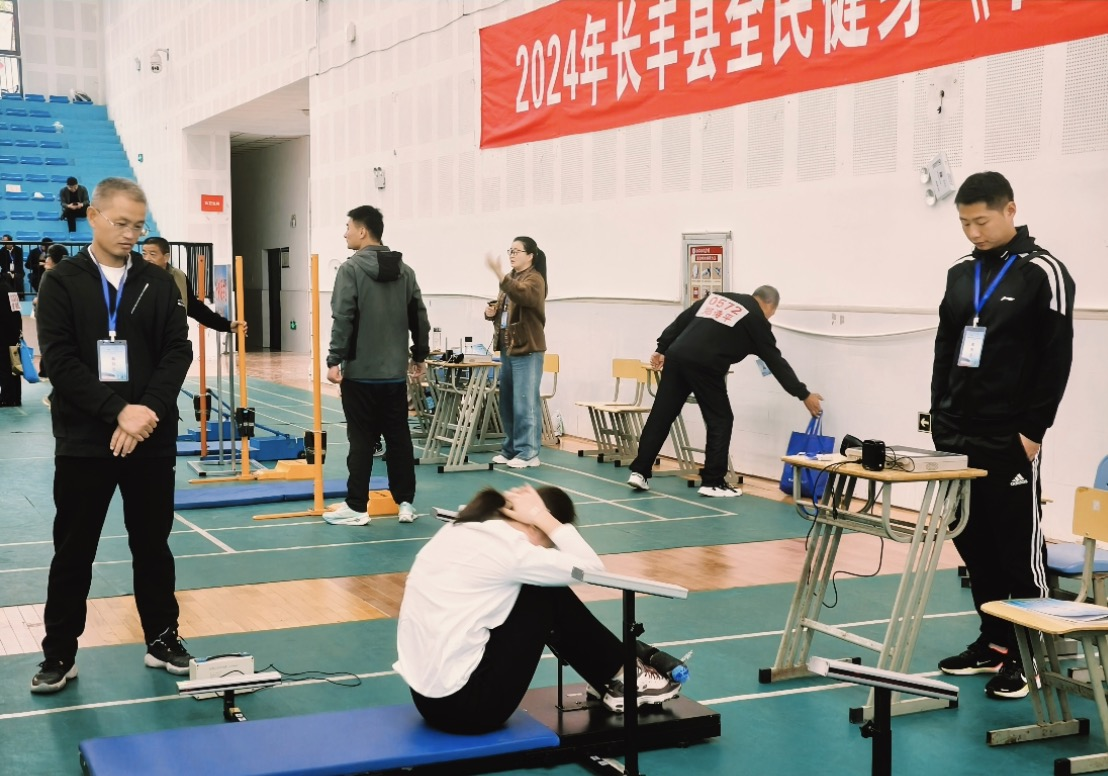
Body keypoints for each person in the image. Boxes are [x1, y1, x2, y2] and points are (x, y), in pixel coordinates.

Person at [31, 177, 194, 694]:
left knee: (153, 546)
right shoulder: (61, 282)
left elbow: (177, 351)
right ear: (94, 216)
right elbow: (61, 360)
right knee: (74, 550)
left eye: (138, 226)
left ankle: (162, 638)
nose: (130, 234)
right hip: (85, 440)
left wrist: (145, 412)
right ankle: (60, 652)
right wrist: (117, 413)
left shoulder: (157, 283)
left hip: (150, 437)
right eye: (121, 223)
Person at [932, 171, 1075, 700]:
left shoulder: (1043, 272)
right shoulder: (959, 273)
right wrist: (940, 420)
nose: (974, 232)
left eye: (982, 221)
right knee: (972, 542)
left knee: (1017, 548)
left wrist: (1033, 430)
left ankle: (1028, 654)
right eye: (965, 223)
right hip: (957, 434)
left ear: (1010, 210)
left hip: (1010, 435)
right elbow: (945, 350)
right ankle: (994, 640)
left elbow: (1056, 357)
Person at [394, 484, 683, 734]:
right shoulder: (511, 550)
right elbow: (593, 570)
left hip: (427, 701)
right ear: (535, 526)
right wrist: (543, 517)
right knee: (544, 593)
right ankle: (627, 678)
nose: (545, 550)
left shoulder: (462, 527)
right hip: (470, 710)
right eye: (548, 543)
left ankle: (613, 675)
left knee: (532, 589)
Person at [626, 286, 823, 497]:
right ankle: (713, 482)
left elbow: (682, 320)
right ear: (769, 305)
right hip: (706, 364)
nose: (769, 317)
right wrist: (803, 394)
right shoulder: (756, 318)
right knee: (720, 419)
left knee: (661, 415)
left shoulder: (717, 298)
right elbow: (776, 362)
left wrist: (661, 348)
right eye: (772, 313)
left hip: (677, 357)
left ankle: (640, 472)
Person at [325, 205, 429, 526]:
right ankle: (405, 503)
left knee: (361, 440)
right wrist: (420, 355)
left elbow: (344, 316)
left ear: (362, 231)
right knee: (398, 439)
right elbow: (419, 316)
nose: (344, 233)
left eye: (348, 227)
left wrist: (334, 359)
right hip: (394, 374)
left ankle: (357, 506)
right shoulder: (405, 271)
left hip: (360, 373)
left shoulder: (350, 270)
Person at [484, 236, 547, 469]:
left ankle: (528, 452)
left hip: (527, 349)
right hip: (508, 348)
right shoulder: (512, 277)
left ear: (530, 256)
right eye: (510, 250)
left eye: (516, 251)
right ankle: (510, 449)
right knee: (508, 402)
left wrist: (499, 275)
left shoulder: (535, 279)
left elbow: (523, 295)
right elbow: (508, 309)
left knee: (524, 402)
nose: (511, 255)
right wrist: (492, 312)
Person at [141, 237, 246, 335]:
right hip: (145, 341)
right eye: (144, 254)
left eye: (153, 254)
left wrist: (227, 326)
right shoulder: (137, 279)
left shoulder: (179, 277)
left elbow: (195, 308)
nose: (147, 258)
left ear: (166, 257)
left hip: (174, 340)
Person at [0, 269, 22, 407]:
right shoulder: (10, 289)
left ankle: (6, 398)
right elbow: (17, 312)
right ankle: (16, 397)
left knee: (4, 366)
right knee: (15, 366)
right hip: (14, 333)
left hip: (3, 334)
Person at [1, 234, 25, 298]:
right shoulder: (2, 251)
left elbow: (19, 263)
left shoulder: (18, 250)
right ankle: (7, 298)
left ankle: (20, 297)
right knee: (6, 277)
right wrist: (9, 272)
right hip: (6, 271)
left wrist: (14, 273)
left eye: (4, 241)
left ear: (10, 241)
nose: (3, 243)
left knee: (17, 277)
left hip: (17, 270)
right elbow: (3, 264)